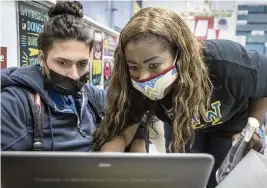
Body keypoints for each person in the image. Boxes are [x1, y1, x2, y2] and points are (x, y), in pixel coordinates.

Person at [92, 7, 267, 187]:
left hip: (230, 124)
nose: (143, 78)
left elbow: (263, 88)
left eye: (154, 65)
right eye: (134, 67)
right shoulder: (133, 84)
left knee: (221, 179)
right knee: (184, 178)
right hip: (182, 123)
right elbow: (123, 131)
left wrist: (253, 127)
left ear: (179, 55)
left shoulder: (227, 63)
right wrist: (106, 166)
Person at [1, 1, 144, 152]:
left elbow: (133, 112)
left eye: (82, 64)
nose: (75, 75)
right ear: (42, 58)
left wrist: (131, 148)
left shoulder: (89, 95)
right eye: (62, 63)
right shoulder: (14, 105)